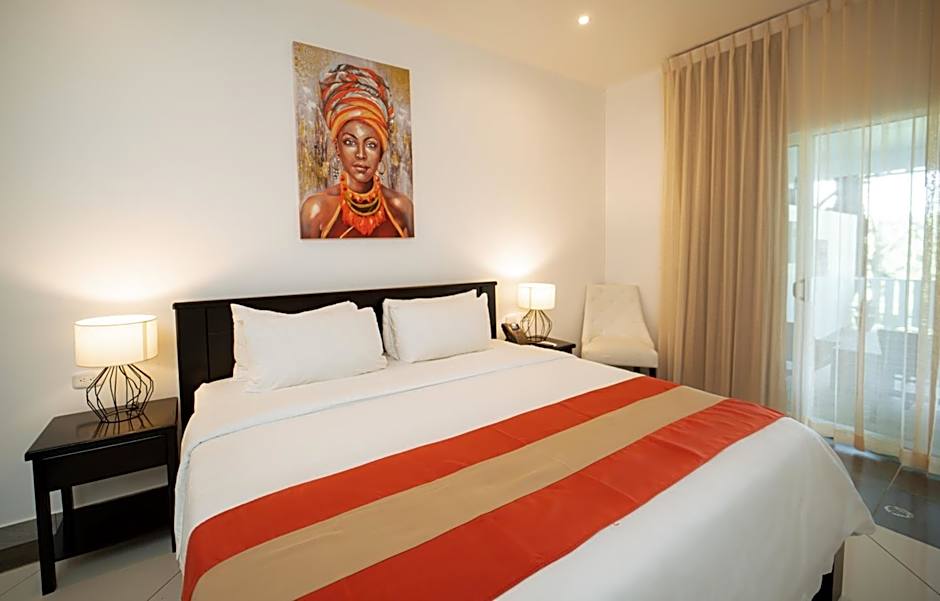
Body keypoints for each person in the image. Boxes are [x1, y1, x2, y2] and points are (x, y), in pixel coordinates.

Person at [300, 64, 413, 239]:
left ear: (381, 152)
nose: (361, 154)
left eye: (371, 145)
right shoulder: (316, 209)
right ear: (337, 147)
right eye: (350, 142)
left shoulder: (401, 207)